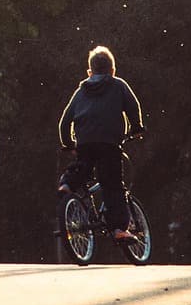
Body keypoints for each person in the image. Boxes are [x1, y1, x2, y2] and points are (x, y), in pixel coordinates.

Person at [58, 45, 144, 240]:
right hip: (110, 142)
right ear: (113, 70)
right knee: (112, 184)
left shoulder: (80, 91)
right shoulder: (118, 84)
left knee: (83, 168)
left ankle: (67, 184)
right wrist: (137, 127)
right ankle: (119, 229)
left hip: (85, 142)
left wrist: (68, 143)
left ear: (89, 72)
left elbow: (65, 120)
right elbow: (133, 106)